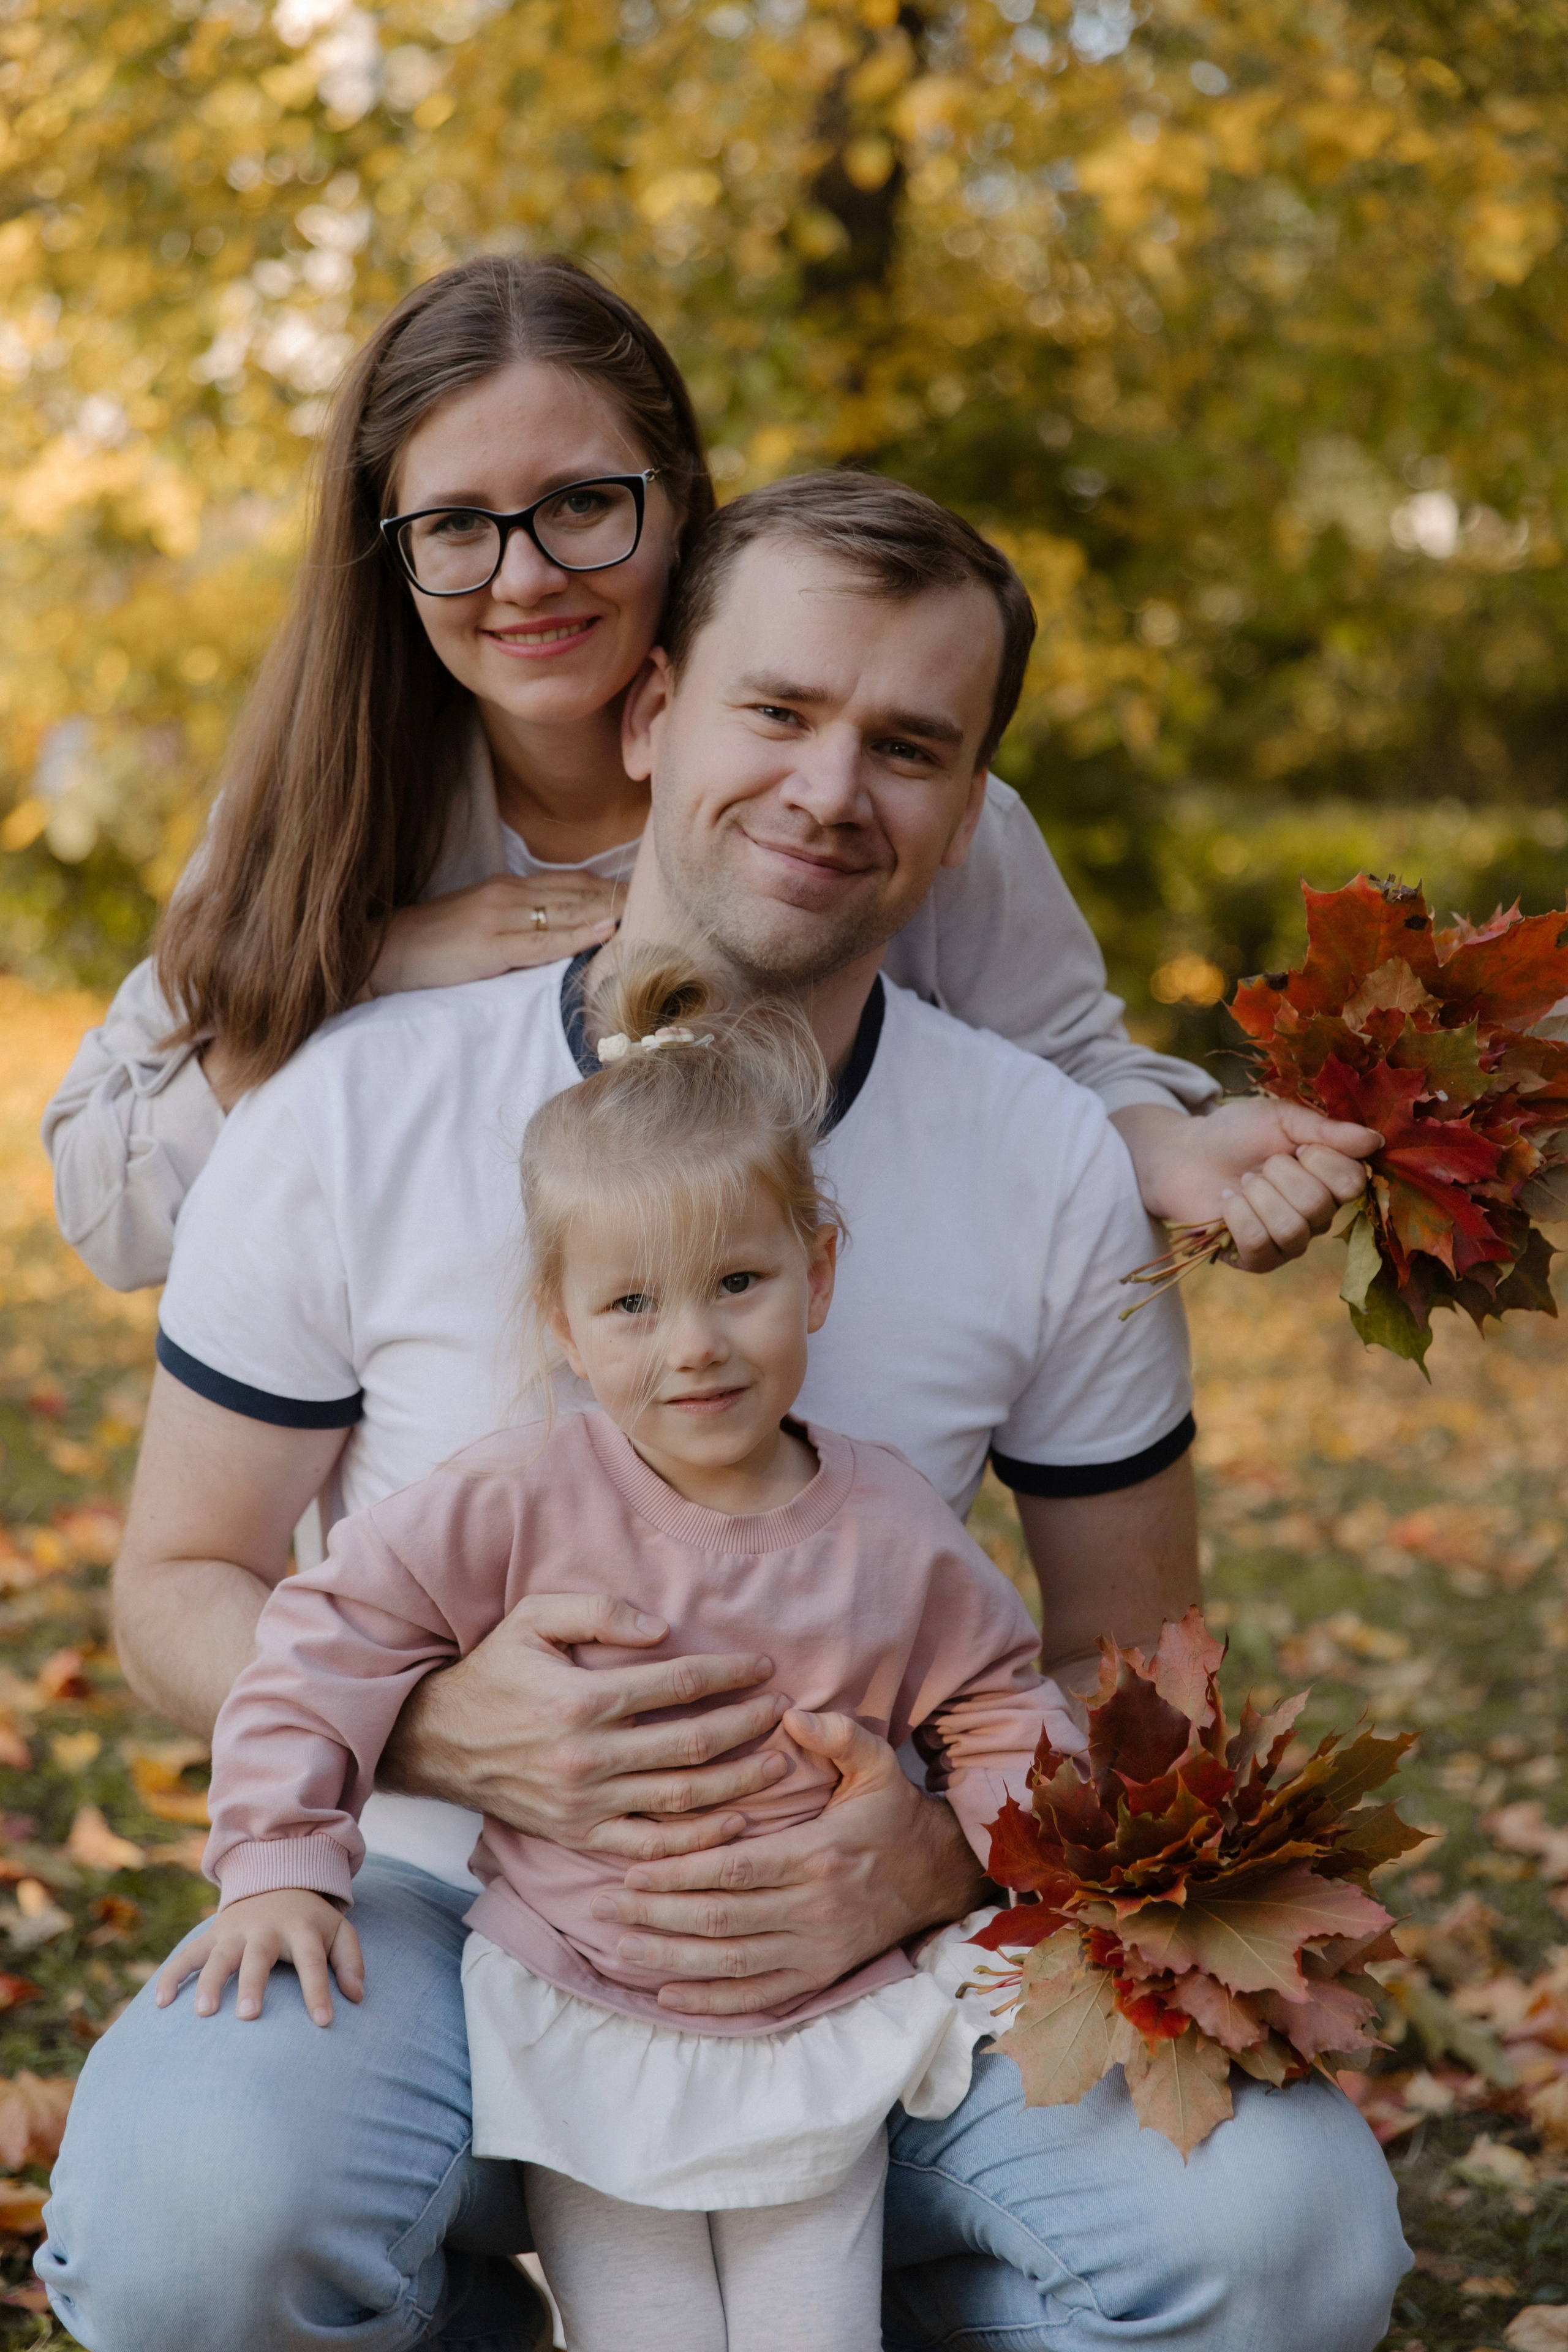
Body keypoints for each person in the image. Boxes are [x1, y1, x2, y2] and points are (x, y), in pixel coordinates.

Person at [39, 473, 1404, 2352]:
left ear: (965, 811)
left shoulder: (1045, 1161)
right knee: (198, 2236)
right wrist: (446, 1734)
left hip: (883, 1951)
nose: (834, 790)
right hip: (432, 1917)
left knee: (1293, 2248)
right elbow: (179, 1578)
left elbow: (1129, 1657)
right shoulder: (356, 1108)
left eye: (909, 746)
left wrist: (949, 1854)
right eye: (781, 710)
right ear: (658, 709)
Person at [40, 252, 1368, 1299]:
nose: (524, 578)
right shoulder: (321, 813)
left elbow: (1067, 1062)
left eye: (578, 505)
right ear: (386, 550)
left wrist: (1168, 1149)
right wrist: (371, 960)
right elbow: (111, 1210)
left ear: (678, 500)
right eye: (454, 525)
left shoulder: (857, 810)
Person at [154, 947, 1086, 2352]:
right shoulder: (516, 1500)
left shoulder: (887, 1524)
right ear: (561, 1324)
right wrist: (277, 1859)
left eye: (736, 1281)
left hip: (816, 2010)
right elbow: (321, 1639)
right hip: (583, 1998)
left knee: (806, 2332)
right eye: (632, 1306)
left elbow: (1001, 1700)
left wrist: (1012, 1862)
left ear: (816, 1273)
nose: (694, 1346)